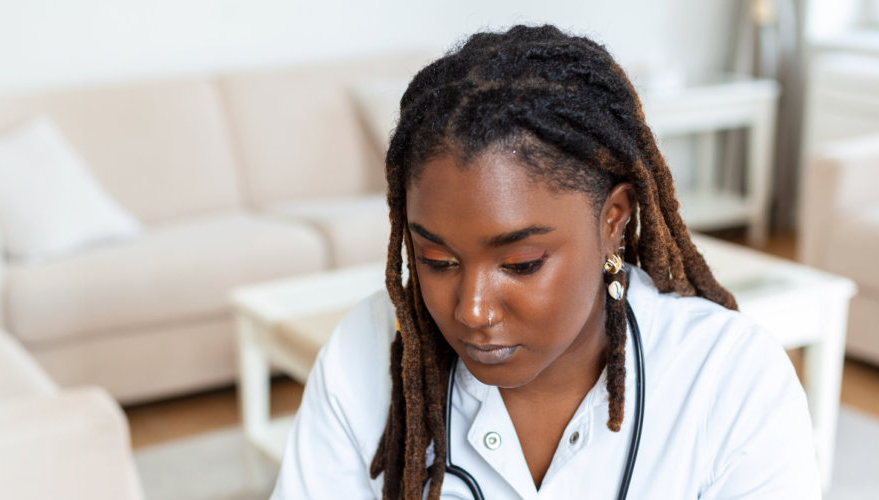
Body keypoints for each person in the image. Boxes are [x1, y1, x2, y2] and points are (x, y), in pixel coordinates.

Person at [273, 24, 819, 500]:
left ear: (613, 220)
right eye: (437, 259)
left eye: (522, 262)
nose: (473, 310)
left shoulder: (731, 380)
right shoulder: (362, 355)